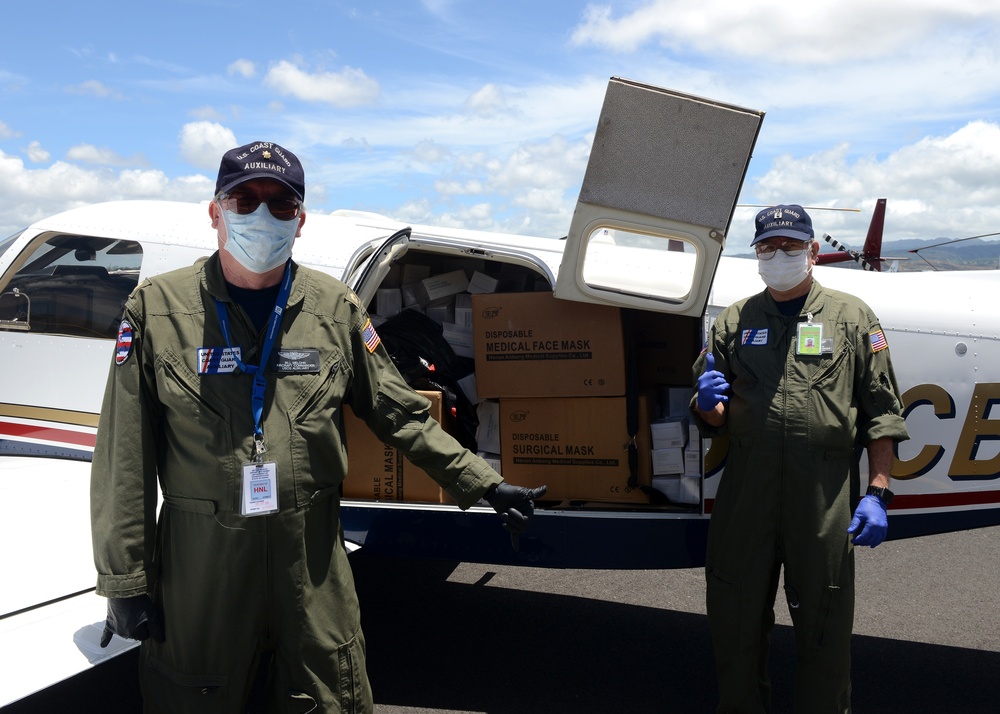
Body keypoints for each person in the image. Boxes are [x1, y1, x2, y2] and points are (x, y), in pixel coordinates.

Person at [90, 140, 546, 713]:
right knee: (192, 694)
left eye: (281, 204)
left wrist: (482, 482)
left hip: (310, 560)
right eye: (244, 198)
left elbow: (400, 413)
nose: (262, 214)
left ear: (300, 221)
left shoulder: (337, 310)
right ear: (215, 211)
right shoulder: (155, 311)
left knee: (331, 695)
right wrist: (125, 581)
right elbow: (122, 458)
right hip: (199, 561)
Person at [690, 204, 909, 713]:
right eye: (767, 247)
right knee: (735, 620)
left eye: (790, 246)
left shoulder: (852, 317)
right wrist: (706, 403)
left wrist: (878, 492)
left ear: (812, 251)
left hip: (823, 497)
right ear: (756, 254)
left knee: (825, 627)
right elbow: (715, 416)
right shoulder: (733, 320)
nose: (778, 255)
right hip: (748, 491)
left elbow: (882, 412)